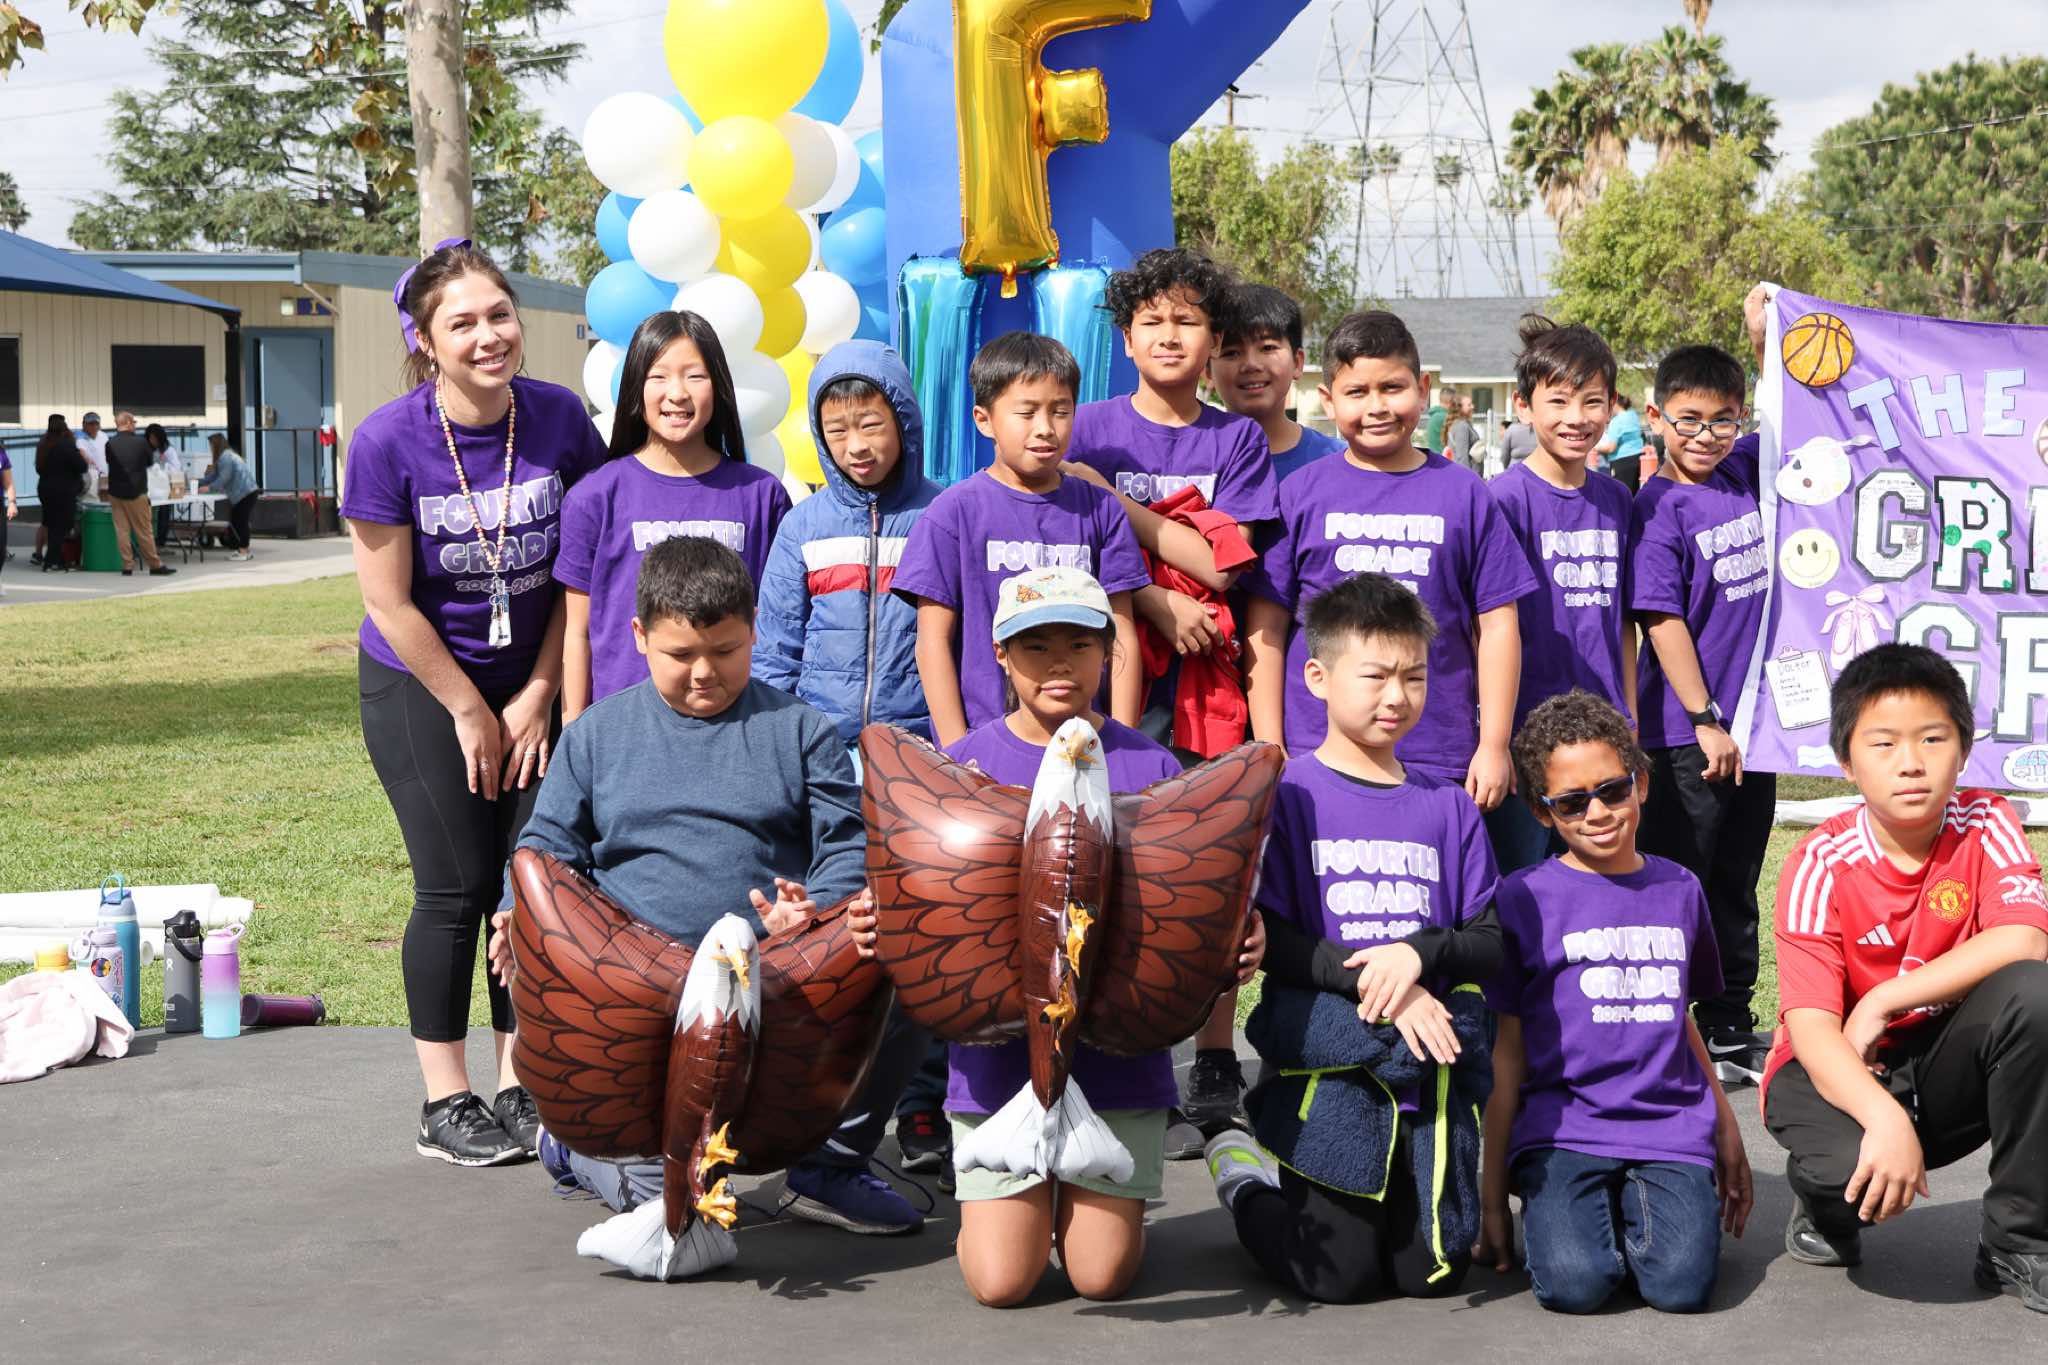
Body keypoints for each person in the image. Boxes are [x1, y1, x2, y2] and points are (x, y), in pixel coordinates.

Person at [498, 535, 928, 1254]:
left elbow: (849, 850)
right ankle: (577, 1144)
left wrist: (811, 912)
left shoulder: (800, 730)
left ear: (754, 629)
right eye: (681, 654)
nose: (704, 672)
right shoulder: (596, 734)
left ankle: (829, 1165)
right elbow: (544, 853)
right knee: (664, 1192)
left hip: (772, 972)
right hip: (634, 989)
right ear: (639, 637)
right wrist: (517, 916)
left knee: (903, 964)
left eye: (725, 651)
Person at [853, 564, 1263, 1306]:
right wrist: (875, 919)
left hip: (1120, 1071)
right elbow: (911, 892)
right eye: (1035, 646)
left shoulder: (1155, 765)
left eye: (1079, 644)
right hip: (994, 1069)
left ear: (1109, 650)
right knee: (1001, 1282)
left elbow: (1204, 901)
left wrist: (1236, 938)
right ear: (1001, 655)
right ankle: (1014, 1210)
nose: (1058, 664)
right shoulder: (963, 765)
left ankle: (1093, 1210)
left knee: (1101, 1277)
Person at [341, 238, 608, 1166]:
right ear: (425, 340)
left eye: (500, 315)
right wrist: (466, 707)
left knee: (529, 885)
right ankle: (444, 1099)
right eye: (463, 323)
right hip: (422, 682)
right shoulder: (386, 440)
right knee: (455, 887)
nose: (489, 335)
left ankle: (520, 1082)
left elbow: (580, 575)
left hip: (533, 681)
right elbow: (388, 601)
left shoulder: (560, 419)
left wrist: (538, 692)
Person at [1205, 572, 1500, 1304]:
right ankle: (1242, 1174)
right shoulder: (1288, 795)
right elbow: (1271, 941)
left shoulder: (1449, 805)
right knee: (1337, 1277)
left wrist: (1418, 954)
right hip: (1331, 1072)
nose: (1396, 696)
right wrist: (1388, 989)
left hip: (1424, 1076)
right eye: (1375, 676)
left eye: (1414, 676)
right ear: (1318, 677)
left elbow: (1489, 940)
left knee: (1433, 1275)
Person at [1064, 249, 1281, 1143]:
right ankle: (1102, 1047)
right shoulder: (1083, 427)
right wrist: (1153, 599)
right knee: (1105, 867)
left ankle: (1215, 1054)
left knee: (1202, 868)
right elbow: (1073, 547)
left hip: (1207, 687)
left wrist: (1116, 506)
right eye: (1150, 321)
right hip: (1102, 679)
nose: (1167, 335)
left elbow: (1224, 565)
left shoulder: (1236, 440)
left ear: (1212, 339)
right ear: (1124, 337)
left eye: (1186, 321)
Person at [1765, 645, 2048, 1311]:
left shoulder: (1987, 821)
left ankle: (2017, 1239)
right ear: (1846, 762)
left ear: (1964, 749)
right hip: (1835, 1064)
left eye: (1932, 738)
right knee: (1850, 1178)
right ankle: (1821, 1205)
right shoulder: (1818, 861)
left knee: (2037, 997)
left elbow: (2027, 939)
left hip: (1940, 1060)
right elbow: (1812, 1029)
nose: (1911, 762)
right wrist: (1883, 1117)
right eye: (1884, 742)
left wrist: (1884, 999)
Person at [1476, 689, 1752, 1314]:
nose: (1597, 812)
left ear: (1641, 784)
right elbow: (1507, 1055)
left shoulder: (1681, 889)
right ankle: (1576, 1211)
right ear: (1542, 812)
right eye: (1572, 802)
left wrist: (1726, 1128)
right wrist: (1492, 1201)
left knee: (1679, 1288)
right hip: (1563, 1131)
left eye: (1612, 790)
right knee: (1575, 1285)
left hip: (1668, 1129)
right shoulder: (1522, 897)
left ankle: (1637, 1204)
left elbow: (1680, 1020)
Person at [751, 339, 952, 1181]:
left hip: (917, 763)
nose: (857, 444)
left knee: (926, 930)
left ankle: (922, 1102)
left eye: (872, 423)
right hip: (825, 766)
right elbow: (773, 656)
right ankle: (822, 1102)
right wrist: (778, 757)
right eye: (837, 430)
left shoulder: (942, 515)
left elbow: (958, 645)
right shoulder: (802, 526)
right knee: (835, 928)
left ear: (904, 420)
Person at [1245, 310, 1534, 793]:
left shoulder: (1465, 493)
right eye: (1357, 392)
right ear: (1328, 399)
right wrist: (1271, 746)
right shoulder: (1299, 493)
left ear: (1422, 389)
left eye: (1392, 388)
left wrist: (1493, 744)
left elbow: (1499, 624)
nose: (1376, 407)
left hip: (1437, 754)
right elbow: (1266, 628)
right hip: (1315, 753)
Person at [1627, 343, 1773, 1085]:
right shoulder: (1656, 509)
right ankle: (1664, 1029)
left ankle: (1728, 1022)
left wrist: (1765, 338)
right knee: (1681, 881)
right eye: (1689, 419)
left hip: (1756, 729)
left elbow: (1797, 407)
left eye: (1723, 420)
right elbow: (1661, 619)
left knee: (1736, 880)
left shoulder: (1741, 472)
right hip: (1685, 735)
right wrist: (1703, 716)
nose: (1707, 435)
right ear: (1656, 417)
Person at [893, 331, 1149, 746]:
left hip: (1084, 746)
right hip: (984, 747)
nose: (1045, 428)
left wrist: (1122, 743)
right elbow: (932, 642)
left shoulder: (1101, 509)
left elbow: (1121, 634)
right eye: (1026, 412)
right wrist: (958, 754)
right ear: (984, 420)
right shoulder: (952, 513)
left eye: (1060, 411)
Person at [556, 310, 789, 721]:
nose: (677, 393)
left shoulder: (761, 495)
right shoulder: (594, 497)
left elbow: (777, 626)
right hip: (626, 727)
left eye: (695, 376)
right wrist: (573, 730)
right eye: (658, 376)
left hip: (738, 722)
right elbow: (577, 632)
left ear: (718, 385)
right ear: (635, 386)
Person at [1486, 317, 1633, 872]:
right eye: (1559, 401)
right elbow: (1486, 627)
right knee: (1521, 881)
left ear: (1611, 406)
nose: (1576, 417)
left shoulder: (1618, 500)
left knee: (1601, 878)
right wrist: (1495, 740)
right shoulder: (1500, 501)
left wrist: (1629, 719)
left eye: (1592, 401)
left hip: (1602, 733)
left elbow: (1623, 623)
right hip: (1525, 735)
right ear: (1524, 407)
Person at [1208, 282, 1345, 484]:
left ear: (1297, 362)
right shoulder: (1189, 464)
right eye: (1232, 352)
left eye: (1267, 348)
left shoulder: (1340, 462)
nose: (1251, 365)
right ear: (1207, 370)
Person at [101, 411, 173, 578]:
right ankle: (155, 565)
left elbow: (110, 462)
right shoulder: (141, 443)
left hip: (115, 493)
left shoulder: (109, 443)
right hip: (136, 492)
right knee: (144, 531)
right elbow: (149, 463)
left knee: (122, 531)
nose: (135, 425)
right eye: (133, 422)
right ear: (127, 423)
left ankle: (127, 565)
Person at [34, 416, 87, 573]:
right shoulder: (66, 445)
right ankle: (51, 561)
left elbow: (39, 468)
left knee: (51, 524)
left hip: (45, 489)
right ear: (64, 429)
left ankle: (56, 559)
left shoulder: (43, 443)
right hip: (64, 491)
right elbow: (82, 466)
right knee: (63, 525)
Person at [199, 433, 259, 561]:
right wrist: (198, 482)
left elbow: (224, 478)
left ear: (216, 445)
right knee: (237, 521)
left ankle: (243, 551)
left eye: (211, 445)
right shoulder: (227, 455)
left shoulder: (225, 457)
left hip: (245, 493)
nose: (210, 448)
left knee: (240, 521)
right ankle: (244, 550)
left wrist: (209, 488)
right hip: (247, 492)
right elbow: (214, 476)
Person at [1597, 392, 1645, 494]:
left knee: (1620, 495)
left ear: (1613, 404)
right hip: (1638, 458)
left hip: (1621, 462)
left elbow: (1611, 448)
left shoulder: (1616, 421)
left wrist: (1596, 448)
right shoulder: (1633, 415)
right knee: (1634, 493)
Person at [145, 423, 179, 547]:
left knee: (164, 513)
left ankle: (161, 540)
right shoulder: (146, 448)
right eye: (150, 438)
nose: (153, 441)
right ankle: (149, 540)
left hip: (164, 488)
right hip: (149, 487)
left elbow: (176, 468)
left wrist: (164, 471)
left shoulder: (168, 450)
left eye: (155, 438)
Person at [1444, 395, 1481, 474]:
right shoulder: (1461, 426)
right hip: (1468, 475)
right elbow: (1462, 457)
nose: (1472, 407)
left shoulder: (1462, 424)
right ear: (1459, 408)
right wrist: (1467, 479)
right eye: (1469, 405)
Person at [75, 411, 107, 502]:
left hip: (104, 475)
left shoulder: (103, 436)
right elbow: (82, 453)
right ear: (84, 424)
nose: (94, 426)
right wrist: (90, 462)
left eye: (96, 424)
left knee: (105, 502)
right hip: (89, 476)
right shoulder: (79, 437)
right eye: (91, 424)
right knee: (90, 501)